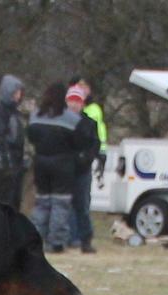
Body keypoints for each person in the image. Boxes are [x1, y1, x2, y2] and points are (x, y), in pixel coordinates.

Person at [26, 83, 95, 253]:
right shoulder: (70, 119)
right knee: (60, 204)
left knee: (42, 202)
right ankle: (56, 241)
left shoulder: (35, 116)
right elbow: (79, 142)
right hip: (63, 165)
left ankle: (35, 238)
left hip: (41, 162)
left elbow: (30, 137)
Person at [64, 84, 100, 253]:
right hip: (64, 170)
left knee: (82, 206)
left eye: (77, 101)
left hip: (83, 171)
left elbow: (95, 144)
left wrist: (86, 158)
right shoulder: (60, 122)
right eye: (71, 101)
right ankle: (66, 238)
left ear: (82, 103)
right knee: (64, 205)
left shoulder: (89, 123)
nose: (74, 104)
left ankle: (85, 239)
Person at [0, 74, 27, 210]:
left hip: (16, 169)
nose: (19, 96)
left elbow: (19, 140)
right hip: (5, 171)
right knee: (2, 207)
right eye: (16, 92)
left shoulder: (14, 113)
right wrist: (4, 166)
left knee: (14, 207)